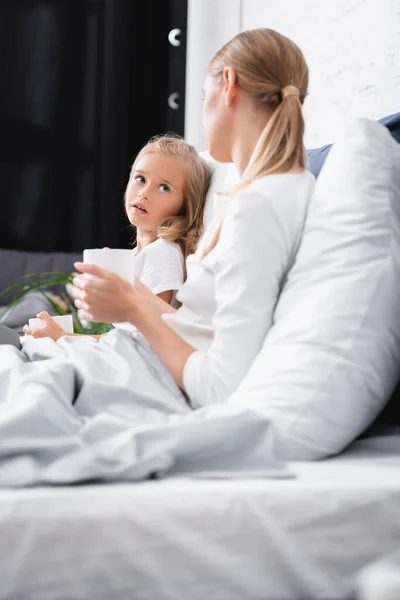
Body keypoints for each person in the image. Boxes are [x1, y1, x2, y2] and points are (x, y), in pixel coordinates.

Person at [1, 27, 315, 411]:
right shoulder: (269, 192)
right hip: (135, 359)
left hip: (146, 372)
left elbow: (219, 386)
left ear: (228, 85)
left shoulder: (258, 206)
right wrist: (131, 298)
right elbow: (199, 327)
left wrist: (132, 307)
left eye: (203, 97)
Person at [22, 135, 212, 341]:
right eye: (141, 179)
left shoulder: (163, 252)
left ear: (184, 205)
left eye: (164, 187)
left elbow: (151, 337)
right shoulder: (142, 254)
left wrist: (64, 337)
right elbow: (128, 337)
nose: (144, 193)